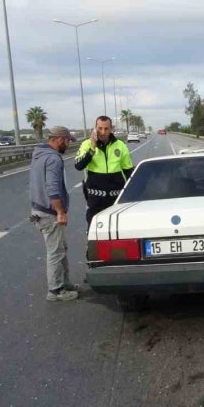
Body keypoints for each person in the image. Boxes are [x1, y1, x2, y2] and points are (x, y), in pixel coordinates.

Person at [30, 126, 78, 302]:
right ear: (60, 140)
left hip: (38, 209)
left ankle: (64, 283)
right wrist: (60, 211)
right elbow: (52, 187)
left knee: (61, 248)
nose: (68, 144)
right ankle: (55, 290)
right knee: (56, 252)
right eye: (67, 141)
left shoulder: (38, 155)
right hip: (49, 212)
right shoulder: (53, 159)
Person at [74, 116, 134, 227]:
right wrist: (92, 148)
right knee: (94, 233)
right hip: (95, 199)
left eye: (106, 128)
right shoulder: (86, 144)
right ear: (95, 129)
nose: (103, 132)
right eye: (100, 128)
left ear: (111, 128)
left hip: (116, 198)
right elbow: (78, 165)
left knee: (118, 231)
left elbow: (129, 171)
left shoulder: (120, 145)